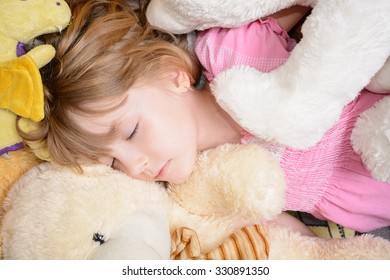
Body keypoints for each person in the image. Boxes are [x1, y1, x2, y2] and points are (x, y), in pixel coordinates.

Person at [22, 0, 389, 233]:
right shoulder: (194, 186)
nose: (136, 166)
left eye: (132, 131)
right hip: (367, 212)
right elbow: (273, 227)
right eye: (113, 161)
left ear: (173, 75)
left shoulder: (231, 51)